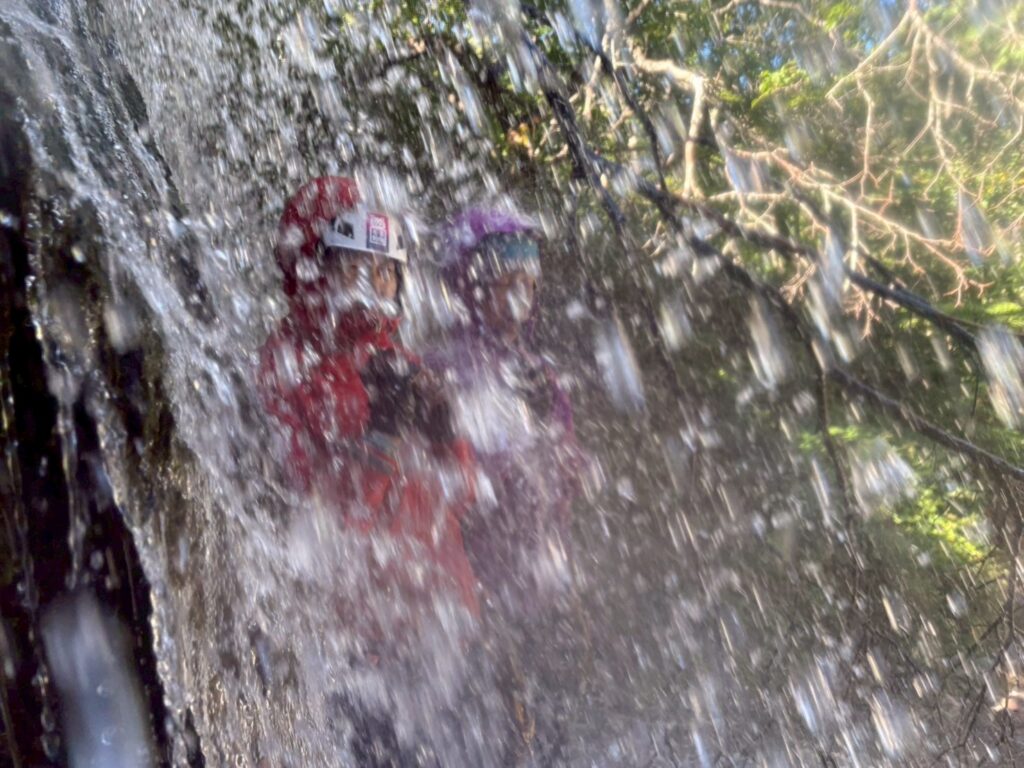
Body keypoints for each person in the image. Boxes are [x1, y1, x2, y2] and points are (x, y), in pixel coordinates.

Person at [257, 176, 480, 766]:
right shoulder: (293, 364)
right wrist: (378, 439)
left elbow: (460, 499)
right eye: (357, 268)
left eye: (385, 272)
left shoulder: (402, 362)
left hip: (430, 626)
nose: (375, 286)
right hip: (353, 638)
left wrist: (448, 437)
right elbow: (316, 514)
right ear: (318, 269)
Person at [427, 206, 589, 763]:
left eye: (529, 284)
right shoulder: (444, 369)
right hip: (474, 589)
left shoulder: (540, 375)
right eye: (506, 284)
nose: (520, 299)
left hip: (534, 586)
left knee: (548, 731)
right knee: (492, 732)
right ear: (470, 286)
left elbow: (561, 473)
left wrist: (566, 463)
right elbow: (446, 477)